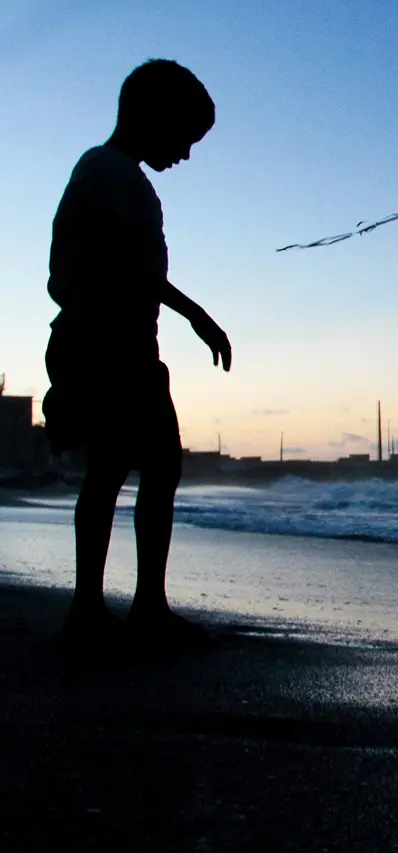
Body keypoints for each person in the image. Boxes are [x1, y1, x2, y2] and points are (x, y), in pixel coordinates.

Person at [43, 59, 231, 646]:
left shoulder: (112, 173)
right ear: (153, 118)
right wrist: (195, 313)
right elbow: (118, 262)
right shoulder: (108, 173)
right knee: (137, 469)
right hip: (107, 345)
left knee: (126, 468)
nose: (186, 155)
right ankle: (120, 607)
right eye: (184, 138)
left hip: (113, 344)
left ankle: (105, 607)